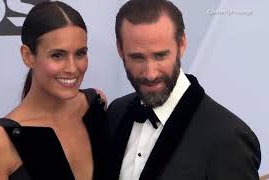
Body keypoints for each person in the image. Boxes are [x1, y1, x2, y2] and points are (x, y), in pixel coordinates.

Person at [105, 0, 261, 179]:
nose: (150, 73)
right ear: (120, 50)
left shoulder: (228, 138)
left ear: (182, 45)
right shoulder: (116, 112)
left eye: (160, 55)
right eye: (137, 57)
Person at [0, 1, 106, 180]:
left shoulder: (95, 103)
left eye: (80, 53)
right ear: (28, 56)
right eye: (57, 55)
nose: (73, 68)